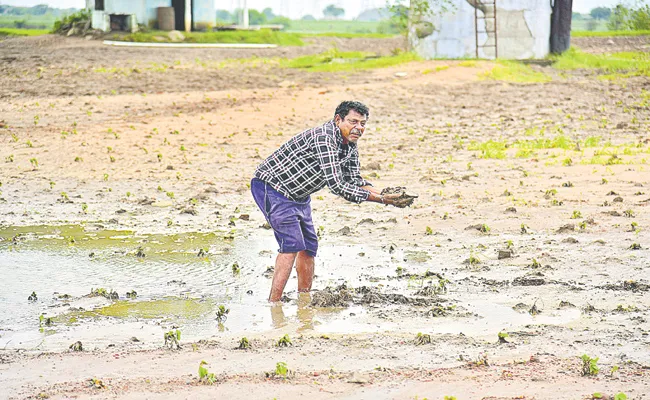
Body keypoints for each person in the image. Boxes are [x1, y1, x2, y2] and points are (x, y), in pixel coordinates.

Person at [251, 101, 413, 302]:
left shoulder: (350, 145)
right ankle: (274, 303)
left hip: (299, 194)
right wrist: (380, 199)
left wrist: (387, 195)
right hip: (272, 187)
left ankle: (305, 299)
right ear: (338, 120)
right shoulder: (324, 138)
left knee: (309, 246)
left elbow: (354, 180)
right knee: (291, 244)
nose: (359, 128)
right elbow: (337, 185)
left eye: (362, 124)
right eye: (353, 121)